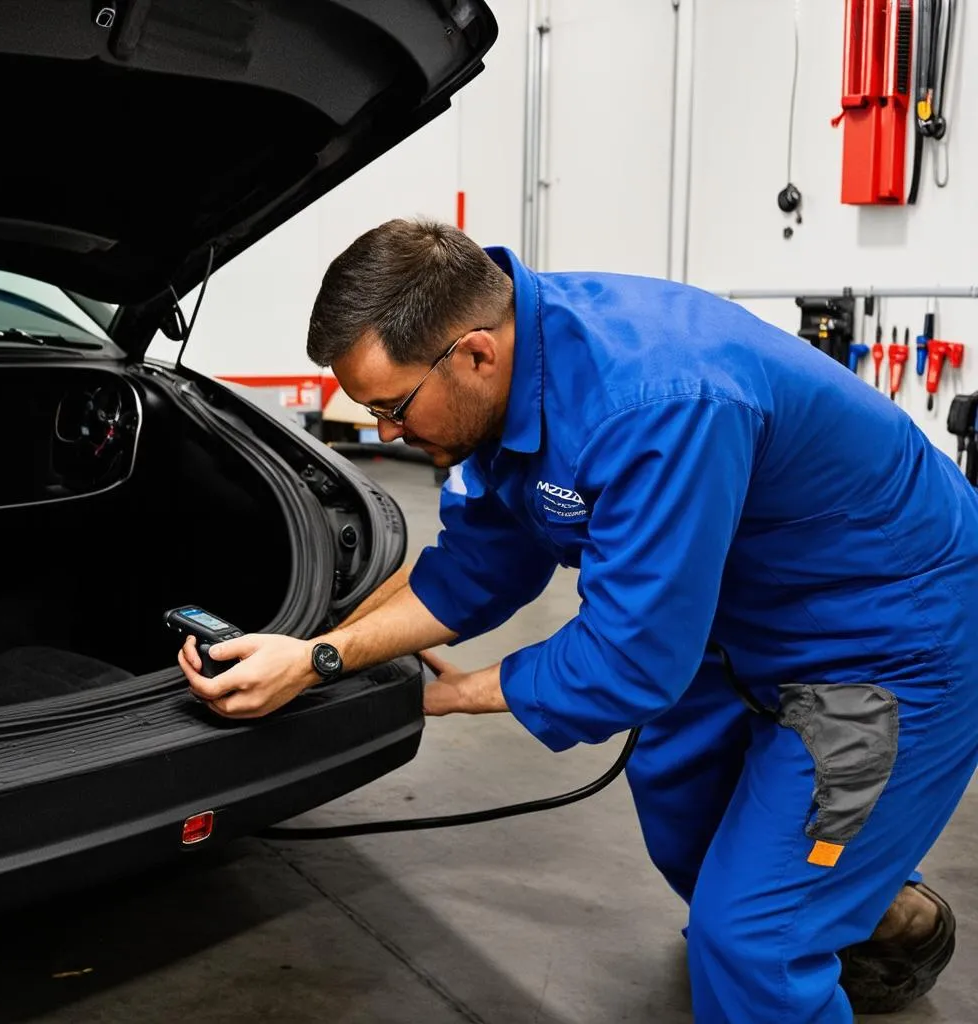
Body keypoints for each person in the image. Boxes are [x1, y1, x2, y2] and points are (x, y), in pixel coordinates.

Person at [177, 219, 978, 1022]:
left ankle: (845, 911)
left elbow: (630, 659)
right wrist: (319, 653)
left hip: (890, 639)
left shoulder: (657, 402)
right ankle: (858, 896)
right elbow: (477, 566)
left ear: (475, 355)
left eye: (392, 408)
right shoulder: (506, 386)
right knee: (684, 823)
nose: (386, 434)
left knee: (753, 941)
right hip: (736, 615)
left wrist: (452, 695)